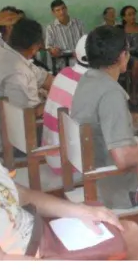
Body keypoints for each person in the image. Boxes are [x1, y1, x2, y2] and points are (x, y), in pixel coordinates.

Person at [0, 95, 138, 260]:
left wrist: (81, 211)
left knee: (122, 228)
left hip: (39, 230)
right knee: (130, 236)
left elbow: (22, 195)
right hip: (29, 254)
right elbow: (0, 261)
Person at [71, 26, 138, 209]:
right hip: (121, 189)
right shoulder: (111, 93)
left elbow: (105, 123)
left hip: (97, 171)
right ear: (123, 56)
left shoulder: (89, 79)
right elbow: (123, 158)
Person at [0, 18, 53, 119]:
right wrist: (52, 103)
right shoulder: (18, 72)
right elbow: (29, 115)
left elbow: (45, 78)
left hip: (5, 117)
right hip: (12, 126)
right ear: (34, 48)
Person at [42, 35, 89, 174]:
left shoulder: (64, 73)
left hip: (52, 155)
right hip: (72, 164)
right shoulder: (92, 84)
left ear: (75, 55)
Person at [45, 0, 86, 69]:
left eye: (63, 8)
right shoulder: (51, 28)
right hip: (62, 64)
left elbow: (85, 42)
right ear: (53, 13)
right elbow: (48, 46)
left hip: (79, 61)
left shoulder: (78, 24)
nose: (62, 12)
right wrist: (53, 50)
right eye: (58, 10)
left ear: (66, 9)